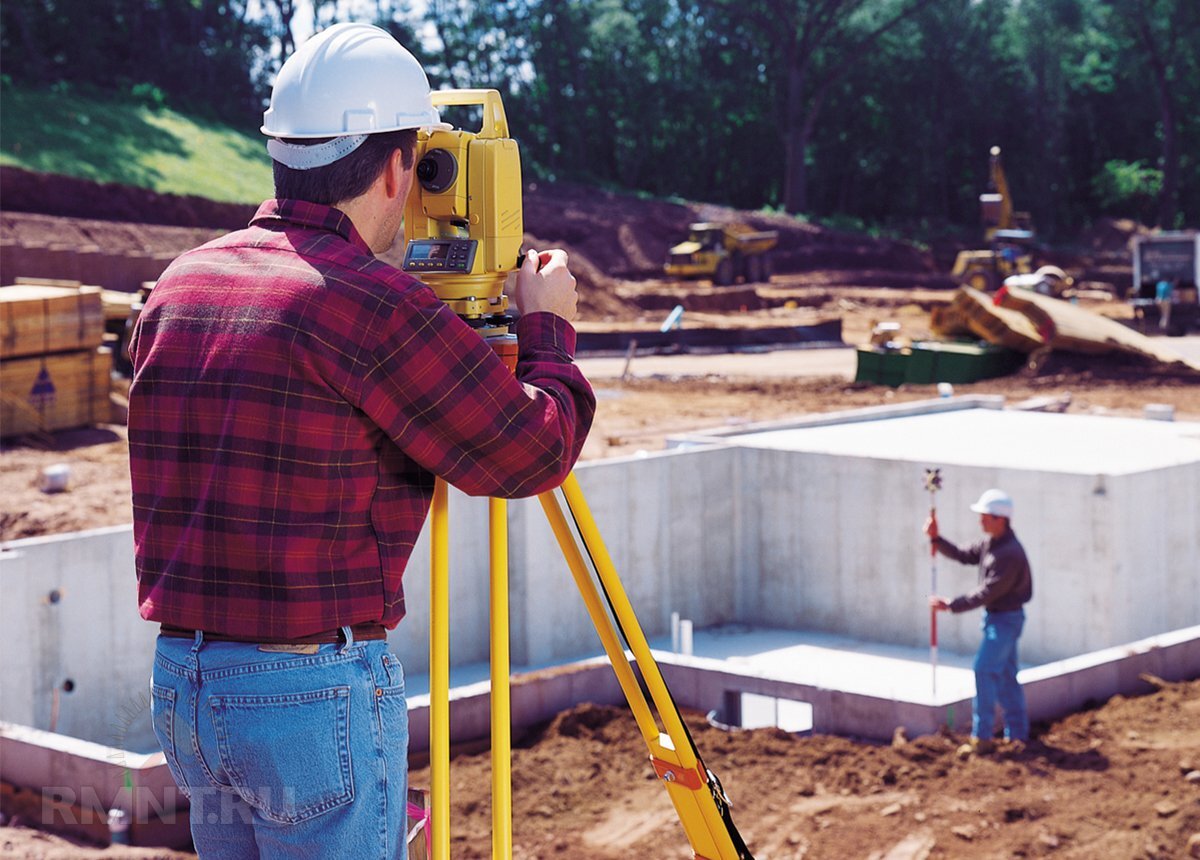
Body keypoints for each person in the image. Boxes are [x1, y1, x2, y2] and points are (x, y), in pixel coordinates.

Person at [128, 22, 594, 859]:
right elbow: (532, 451)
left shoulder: (179, 283)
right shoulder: (366, 305)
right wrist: (548, 334)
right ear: (396, 167)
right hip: (306, 694)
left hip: (186, 688)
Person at [926, 488, 1032, 756]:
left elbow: (987, 591)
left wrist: (951, 605)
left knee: (984, 670)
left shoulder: (1009, 553)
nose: (980, 521)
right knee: (1006, 676)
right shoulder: (992, 545)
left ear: (1000, 519)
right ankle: (1017, 735)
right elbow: (963, 554)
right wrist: (937, 539)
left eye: (985, 516)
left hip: (1005, 621)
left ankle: (982, 737)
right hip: (999, 618)